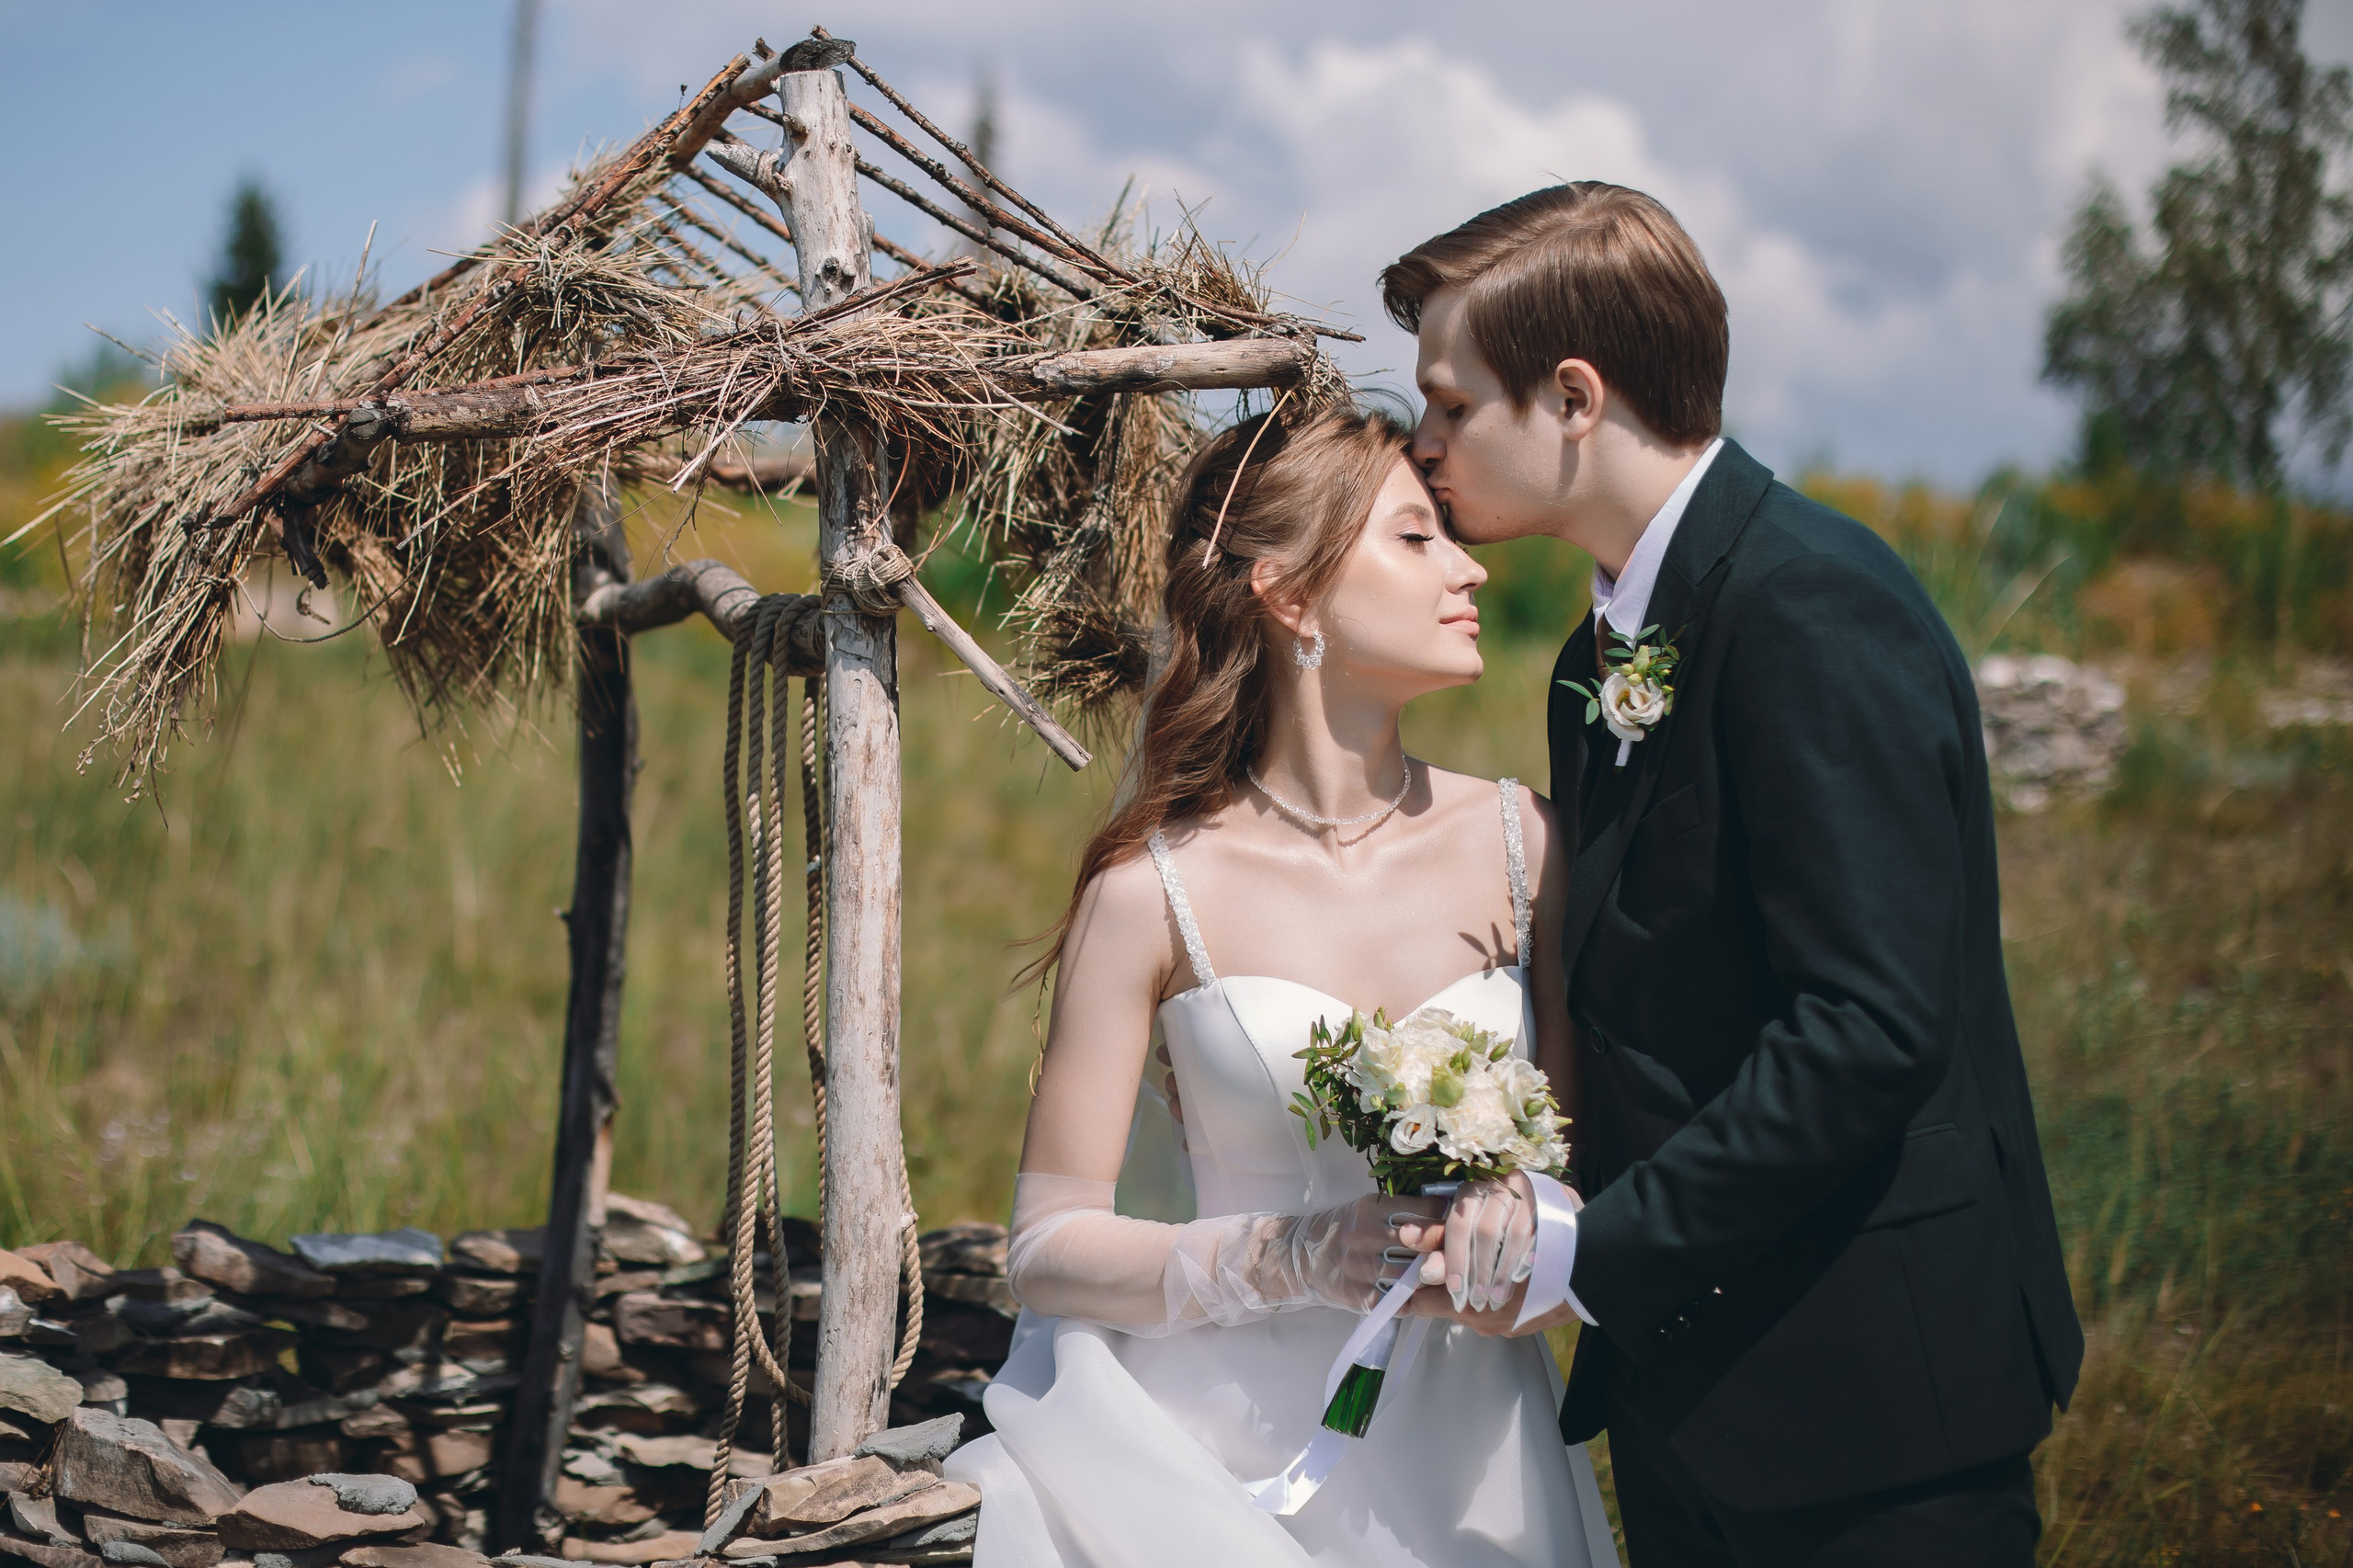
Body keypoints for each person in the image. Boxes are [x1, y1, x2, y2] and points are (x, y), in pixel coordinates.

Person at [1378, 183, 2086, 1565]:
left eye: (1454, 405)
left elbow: (1872, 1027)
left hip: (1878, 1407)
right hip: (1690, 1397)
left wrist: (1596, 1252)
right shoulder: (1596, 664)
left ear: (1575, 398)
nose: (1426, 441)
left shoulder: (1814, 603)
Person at [944, 404, 1620, 1567]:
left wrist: (1525, 1243)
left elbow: (1587, 1176)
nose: (1467, 569)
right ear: (1290, 595)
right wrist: (1291, 1252)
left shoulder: (1527, 844)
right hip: (1213, 1469)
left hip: (1480, 1462)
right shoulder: (1151, 891)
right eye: (1415, 539)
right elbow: (1046, 1244)